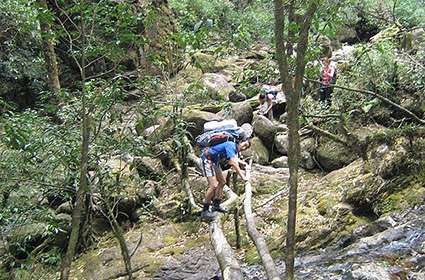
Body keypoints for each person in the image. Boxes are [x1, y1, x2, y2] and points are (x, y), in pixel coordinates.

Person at [200, 140, 251, 221]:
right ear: (240, 142)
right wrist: (243, 177)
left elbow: (234, 159)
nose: (244, 148)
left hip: (214, 161)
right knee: (213, 186)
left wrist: (243, 163)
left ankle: (216, 205)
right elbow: (233, 163)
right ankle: (205, 211)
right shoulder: (231, 145)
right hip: (207, 160)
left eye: (246, 148)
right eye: (244, 145)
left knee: (222, 182)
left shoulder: (233, 149)